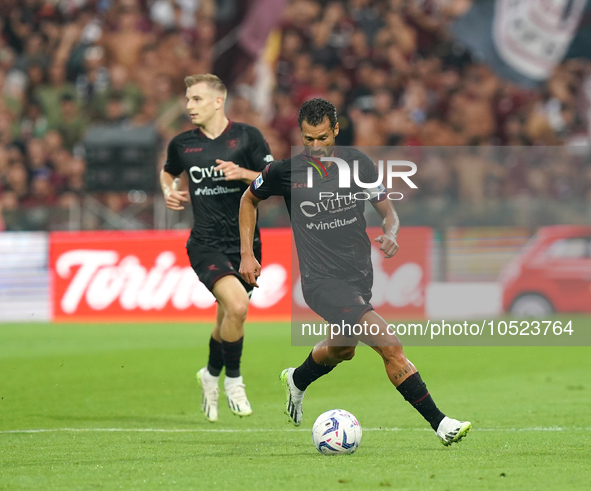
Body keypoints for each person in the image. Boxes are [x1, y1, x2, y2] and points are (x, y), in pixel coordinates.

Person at [238, 98, 471, 446]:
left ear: (335, 130)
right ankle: (441, 424)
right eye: (308, 139)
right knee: (390, 345)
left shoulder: (357, 164)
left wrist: (391, 233)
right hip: (321, 282)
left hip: (359, 277)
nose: (315, 146)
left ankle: (298, 379)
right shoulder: (285, 172)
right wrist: (247, 253)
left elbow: (387, 210)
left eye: (322, 137)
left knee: (343, 349)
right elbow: (248, 200)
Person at [160, 73, 273, 422]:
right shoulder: (182, 144)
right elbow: (169, 172)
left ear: (217, 101)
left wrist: (242, 174)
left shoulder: (247, 137)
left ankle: (210, 374)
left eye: (196, 99)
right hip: (206, 243)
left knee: (227, 317)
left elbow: (275, 180)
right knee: (237, 307)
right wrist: (168, 190)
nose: (189, 105)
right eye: (188, 98)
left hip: (245, 245)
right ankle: (233, 381)